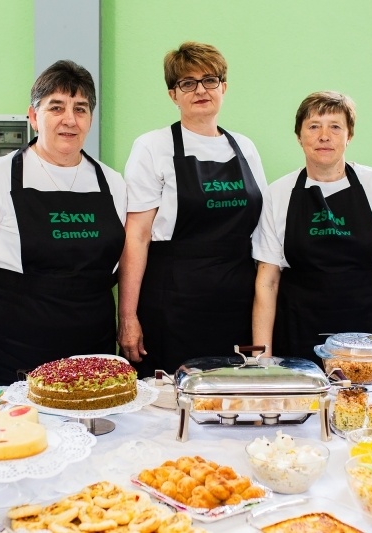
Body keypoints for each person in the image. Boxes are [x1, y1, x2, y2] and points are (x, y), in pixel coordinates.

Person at [0, 60, 127, 386]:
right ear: (33, 116)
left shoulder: (112, 182)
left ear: (90, 119)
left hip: (91, 351)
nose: (69, 119)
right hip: (10, 350)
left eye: (80, 109)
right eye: (56, 107)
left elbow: (124, 261)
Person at [118, 42, 267, 378]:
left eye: (209, 80)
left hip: (236, 302)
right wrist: (127, 317)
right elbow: (137, 237)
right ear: (174, 95)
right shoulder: (152, 147)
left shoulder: (245, 147)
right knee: (167, 408)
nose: (200, 90)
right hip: (172, 302)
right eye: (187, 83)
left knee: (231, 403)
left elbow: (261, 232)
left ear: (223, 88)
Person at [252, 91, 372, 367]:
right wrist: (261, 359)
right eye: (314, 126)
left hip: (367, 342)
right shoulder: (278, 193)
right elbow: (267, 282)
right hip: (297, 337)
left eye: (335, 127)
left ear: (349, 135)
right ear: (299, 136)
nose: (324, 136)